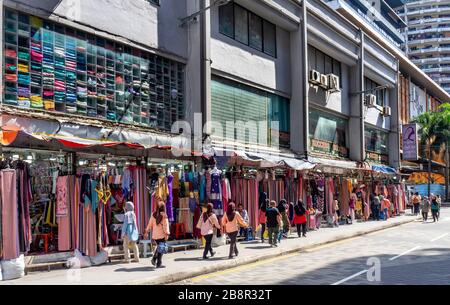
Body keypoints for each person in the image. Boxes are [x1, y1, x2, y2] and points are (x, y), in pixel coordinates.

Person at [144, 201, 170, 268]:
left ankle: (155, 260)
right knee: (161, 249)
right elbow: (165, 226)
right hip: (162, 235)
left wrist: (147, 231)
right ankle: (158, 263)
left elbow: (150, 224)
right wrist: (167, 233)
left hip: (155, 236)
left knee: (159, 248)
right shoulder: (164, 215)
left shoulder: (153, 214)